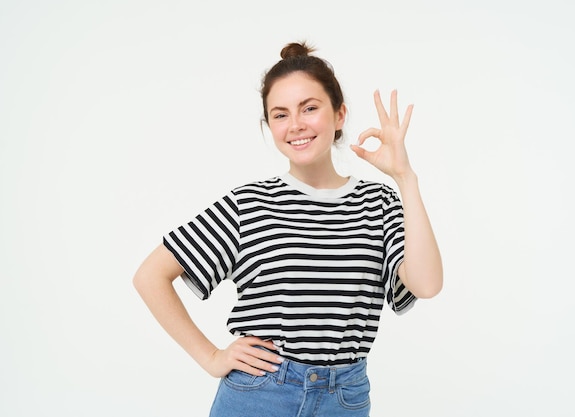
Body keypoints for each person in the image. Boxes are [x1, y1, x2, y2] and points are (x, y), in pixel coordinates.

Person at [133, 41, 443, 417]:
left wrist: (404, 177)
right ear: (269, 126)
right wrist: (212, 357)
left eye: (309, 108)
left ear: (339, 114)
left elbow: (426, 285)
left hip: (344, 398)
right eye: (280, 115)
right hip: (259, 394)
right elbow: (150, 276)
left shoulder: (379, 203)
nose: (296, 124)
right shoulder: (249, 204)